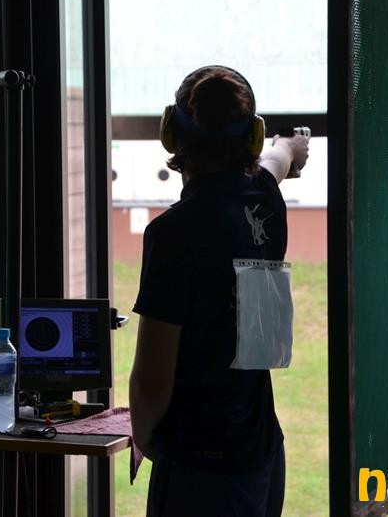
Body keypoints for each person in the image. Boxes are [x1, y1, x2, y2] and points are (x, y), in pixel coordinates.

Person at [129, 65, 309, 517]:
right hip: (261, 453)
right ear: (253, 137)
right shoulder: (264, 199)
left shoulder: (172, 234)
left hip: (199, 466)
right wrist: (292, 146)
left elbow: (152, 377)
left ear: (171, 134)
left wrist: (147, 439)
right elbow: (277, 160)